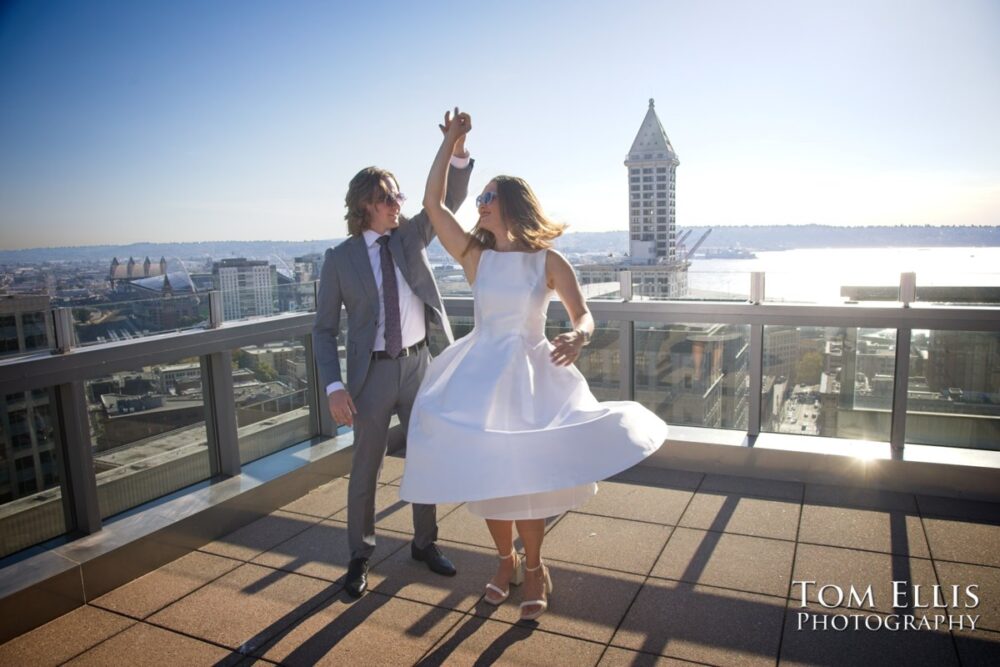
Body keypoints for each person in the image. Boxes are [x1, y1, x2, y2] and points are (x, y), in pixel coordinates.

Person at [399, 110, 668, 621]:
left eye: (486, 198)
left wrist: (578, 335)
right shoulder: (475, 256)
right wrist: (452, 144)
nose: (478, 205)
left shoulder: (547, 261)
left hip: (529, 375)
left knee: (527, 481)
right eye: (478, 199)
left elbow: (584, 314)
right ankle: (506, 562)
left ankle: (536, 566)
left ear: (511, 207)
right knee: (490, 480)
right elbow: (433, 202)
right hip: (479, 376)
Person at [313, 129, 474, 598]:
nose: (396, 203)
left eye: (398, 195)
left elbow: (451, 197)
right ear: (365, 205)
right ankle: (360, 556)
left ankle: (425, 544)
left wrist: (457, 150)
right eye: (387, 198)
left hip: (419, 365)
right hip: (372, 375)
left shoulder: (410, 235)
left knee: (425, 456)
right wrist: (334, 387)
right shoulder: (339, 260)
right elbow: (323, 331)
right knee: (366, 468)